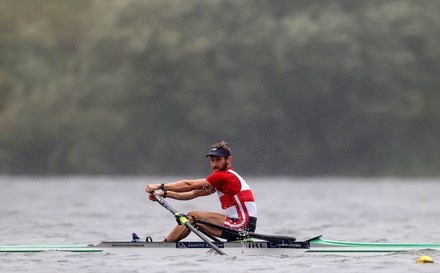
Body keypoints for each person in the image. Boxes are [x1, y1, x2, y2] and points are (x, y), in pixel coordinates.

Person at [145, 141, 257, 242]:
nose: (214, 164)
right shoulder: (225, 178)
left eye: (218, 160)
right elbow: (193, 193)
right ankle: (166, 244)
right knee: (193, 218)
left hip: (242, 225)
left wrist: (159, 186)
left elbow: (189, 185)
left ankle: (165, 246)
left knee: (194, 216)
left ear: (228, 160)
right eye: (212, 160)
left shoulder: (223, 176)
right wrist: (164, 194)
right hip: (243, 225)